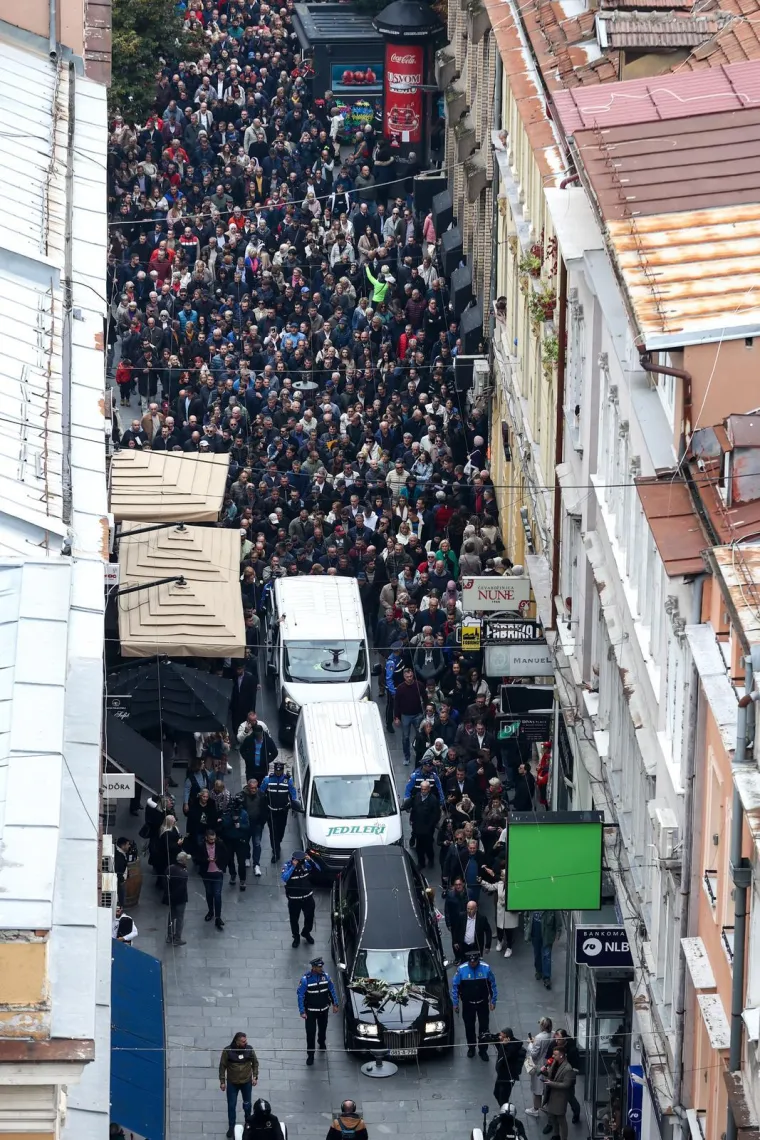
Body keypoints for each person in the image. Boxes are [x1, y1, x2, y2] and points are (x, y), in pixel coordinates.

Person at [451, 949, 498, 1060]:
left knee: (484, 1027)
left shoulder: (486, 968)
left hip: (482, 1003)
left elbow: (493, 985)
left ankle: (483, 1050)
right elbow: (455, 987)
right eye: (471, 962)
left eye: (475, 962)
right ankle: (471, 1048)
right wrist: (455, 1003)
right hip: (468, 1004)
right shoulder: (461, 970)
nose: (473, 963)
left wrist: (493, 1001)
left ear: (478, 960)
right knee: (469, 1027)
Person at [297, 955, 339, 1066]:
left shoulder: (326, 977)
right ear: (314, 967)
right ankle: (310, 1055)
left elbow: (332, 990)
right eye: (319, 967)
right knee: (310, 1033)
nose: (321, 969)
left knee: (323, 1029)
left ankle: (321, 1042)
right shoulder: (306, 980)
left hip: (324, 1009)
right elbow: (300, 995)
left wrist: (335, 1004)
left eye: (321, 966)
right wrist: (302, 1011)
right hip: (310, 1011)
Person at [219, 1031, 259, 1138]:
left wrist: (255, 1076)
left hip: (246, 1082)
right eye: (243, 1041)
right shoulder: (227, 1051)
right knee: (231, 1106)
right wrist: (222, 1081)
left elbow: (255, 1063)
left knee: (247, 1105)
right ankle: (231, 1127)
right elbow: (222, 1066)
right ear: (237, 1042)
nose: (246, 1042)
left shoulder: (249, 1049)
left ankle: (248, 1124)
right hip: (232, 1083)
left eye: (246, 1040)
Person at [261, 761, 299, 862]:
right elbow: (261, 792)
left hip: (283, 811)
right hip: (271, 811)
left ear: (282, 770)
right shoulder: (268, 779)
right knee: (273, 832)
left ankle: (278, 842)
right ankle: (276, 851)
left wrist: (294, 804)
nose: (278, 772)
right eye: (276, 770)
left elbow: (293, 793)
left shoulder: (288, 780)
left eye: (280, 770)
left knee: (281, 831)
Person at [539, 1045, 575, 1140]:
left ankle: (564, 1138)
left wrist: (551, 1083)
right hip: (551, 1094)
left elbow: (566, 1085)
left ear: (561, 1056)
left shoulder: (568, 1069)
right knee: (552, 1117)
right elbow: (551, 1074)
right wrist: (544, 1072)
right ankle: (556, 1135)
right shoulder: (555, 1062)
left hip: (560, 1097)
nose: (553, 1056)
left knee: (561, 1119)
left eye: (555, 1055)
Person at [403, 779, 441, 870]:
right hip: (417, 827)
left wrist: (430, 826)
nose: (423, 791)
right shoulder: (417, 796)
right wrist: (412, 819)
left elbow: (436, 815)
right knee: (419, 847)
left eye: (425, 789)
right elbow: (414, 810)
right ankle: (421, 862)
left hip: (427, 829)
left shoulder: (433, 800)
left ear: (428, 789)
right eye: (422, 789)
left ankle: (431, 860)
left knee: (428, 846)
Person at [480, 869, 519, 956]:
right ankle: (500, 941)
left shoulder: (513, 885)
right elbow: (490, 887)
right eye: (501, 875)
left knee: (509, 930)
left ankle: (509, 948)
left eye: (502, 876)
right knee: (500, 928)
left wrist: (507, 902)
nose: (501, 877)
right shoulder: (500, 884)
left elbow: (516, 898)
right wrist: (481, 881)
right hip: (501, 911)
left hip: (509, 912)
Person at [282, 850, 316, 948]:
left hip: (307, 897)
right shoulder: (287, 865)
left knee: (309, 917)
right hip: (294, 899)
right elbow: (284, 878)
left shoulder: (306, 865)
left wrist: (310, 861)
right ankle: (296, 937)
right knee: (294, 919)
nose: (300, 863)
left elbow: (317, 869)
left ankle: (306, 932)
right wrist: (293, 866)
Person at [196, 827, 229, 930]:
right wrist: (206, 859)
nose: (212, 841)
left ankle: (218, 917)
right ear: (206, 838)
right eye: (210, 839)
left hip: (217, 872)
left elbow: (226, 855)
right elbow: (197, 859)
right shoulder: (201, 846)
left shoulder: (220, 844)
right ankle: (211, 911)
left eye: (214, 839)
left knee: (217, 895)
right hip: (207, 874)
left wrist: (222, 867)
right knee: (209, 893)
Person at [393, 666, 425, 766]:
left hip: (418, 714)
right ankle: (407, 756)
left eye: (411, 676)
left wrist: (426, 712)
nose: (410, 678)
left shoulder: (419, 685)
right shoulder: (400, 688)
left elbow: (425, 698)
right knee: (405, 737)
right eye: (407, 676)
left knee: (420, 735)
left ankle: (418, 752)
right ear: (404, 677)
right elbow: (396, 703)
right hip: (405, 715)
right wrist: (396, 717)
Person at [524, 1018, 554, 1117]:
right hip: (549, 1064)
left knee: (537, 1087)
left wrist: (531, 1043)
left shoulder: (539, 1037)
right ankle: (546, 1105)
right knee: (546, 1085)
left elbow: (534, 1054)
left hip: (539, 1065)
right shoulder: (553, 1034)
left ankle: (535, 1109)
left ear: (542, 1026)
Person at [554, 1030, 582, 1123]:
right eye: (556, 1039)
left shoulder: (572, 1049)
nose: (556, 1041)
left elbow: (576, 1066)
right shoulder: (554, 1045)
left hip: (568, 1076)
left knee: (570, 1096)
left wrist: (571, 1076)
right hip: (556, 1074)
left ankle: (576, 1112)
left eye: (559, 1039)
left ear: (564, 1039)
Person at [493, 1028, 526, 1107]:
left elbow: (502, 1057)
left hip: (508, 1077)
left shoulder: (512, 1048)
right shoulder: (507, 1044)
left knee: (503, 1098)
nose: (500, 1037)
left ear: (507, 1037)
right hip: (501, 1074)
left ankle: (505, 1112)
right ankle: (504, 1109)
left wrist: (502, 1046)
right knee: (496, 1093)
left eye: (502, 1036)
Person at [526, 910, 558, 989]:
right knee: (537, 953)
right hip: (535, 931)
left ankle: (546, 977)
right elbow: (527, 915)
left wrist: (558, 929)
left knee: (546, 955)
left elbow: (557, 915)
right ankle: (539, 971)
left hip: (547, 933)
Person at [241, 777, 265, 877]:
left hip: (257, 824)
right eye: (252, 788)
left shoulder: (261, 795)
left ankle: (256, 864)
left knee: (257, 844)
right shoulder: (243, 795)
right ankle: (247, 857)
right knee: (245, 842)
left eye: (255, 788)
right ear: (248, 786)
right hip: (246, 824)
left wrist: (262, 821)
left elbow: (264, 809)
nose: (253, 790)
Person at [166, 851, 190, 946]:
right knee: (180, 918)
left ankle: (169, 936)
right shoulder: (184, 873)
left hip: (170, 897)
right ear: (183, 861)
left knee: (171, 917)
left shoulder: (170, 868)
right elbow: (182, 887)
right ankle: (177, 938)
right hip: (180, 899)